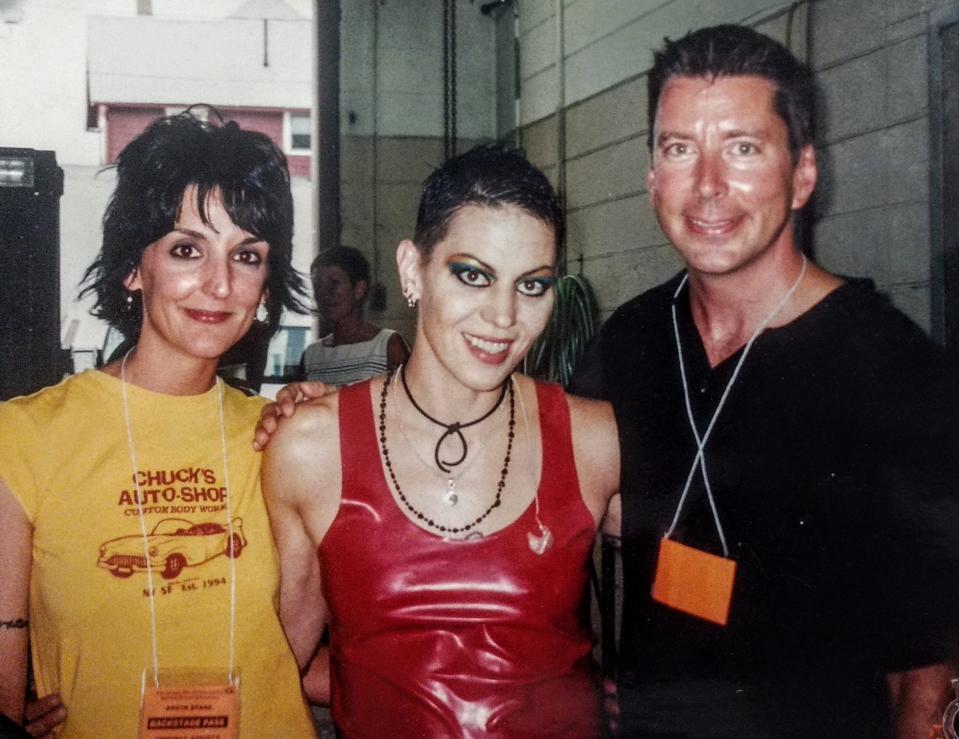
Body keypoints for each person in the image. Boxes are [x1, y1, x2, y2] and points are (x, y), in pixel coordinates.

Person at [570, 24, 959, 738]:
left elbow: (929, 674)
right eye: (679, 149)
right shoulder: (626, 343)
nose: (707, 186)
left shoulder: (891, 369)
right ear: (652, 176)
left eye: (742, 149)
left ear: (804, 173)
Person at [262, 143, 620, 737]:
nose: (503, 317)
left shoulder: (594, 438)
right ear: (412, 270)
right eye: (473, 275)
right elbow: (280, 661)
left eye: (532, 286)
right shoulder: (311, 448)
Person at [0, 112, 316, 737]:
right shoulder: (24, 436)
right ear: (133, 269)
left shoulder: (291, 436)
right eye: (186, 249)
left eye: (246, 256)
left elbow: (315, 644)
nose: (219, 284)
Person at [300, 246, 409, 385]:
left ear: (359, 289)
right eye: (317, 285)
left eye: (334, 283)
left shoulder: (388, 346)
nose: (324, 293)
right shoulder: (311, 356)